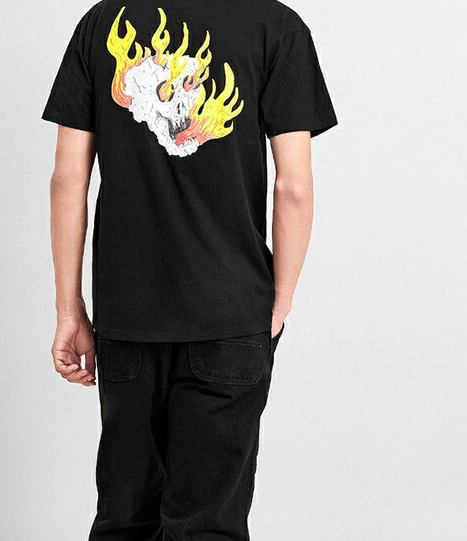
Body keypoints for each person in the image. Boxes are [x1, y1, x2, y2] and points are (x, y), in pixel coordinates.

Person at [43, 0, 336, 538]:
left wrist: (70, 309)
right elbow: (294, 186)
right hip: (231, 312)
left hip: (126, 316)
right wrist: (278, 302)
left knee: (125, 519)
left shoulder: (103, 24)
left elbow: (68, 179)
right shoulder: (275, 26)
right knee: (208, 527)